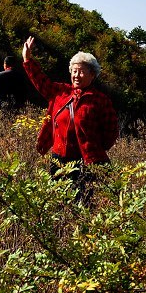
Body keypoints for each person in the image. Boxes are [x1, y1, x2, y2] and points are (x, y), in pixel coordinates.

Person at [22, 36, 118, 203]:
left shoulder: (100, 100)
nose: (76, 75)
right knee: (57, 201)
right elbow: (40, 81)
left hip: (84, 161)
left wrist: (93, 148)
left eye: (81, 71)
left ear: (92, 75)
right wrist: (27, 59)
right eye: (74, 71)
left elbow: (111, 131)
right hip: (58, 159)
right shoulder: (61, 92)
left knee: (82, 203)